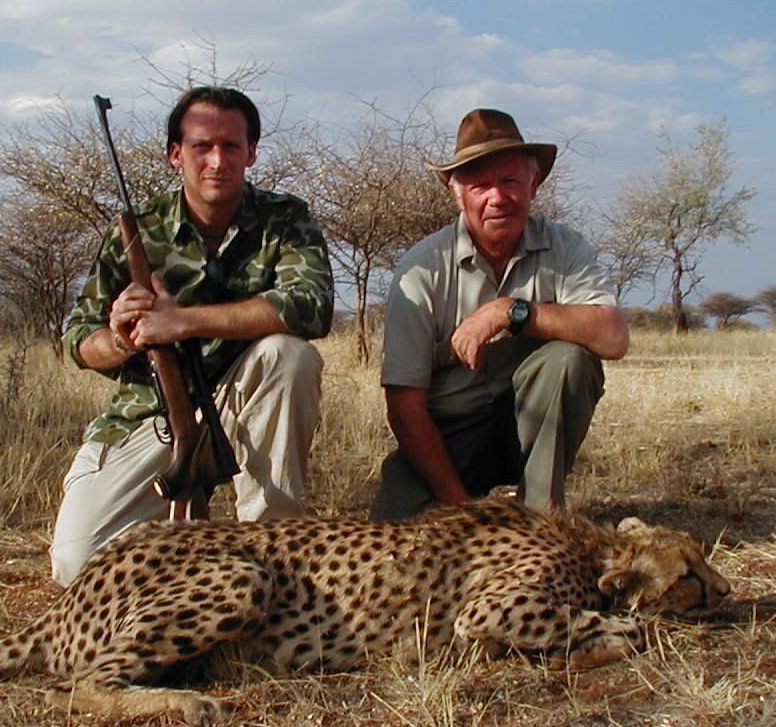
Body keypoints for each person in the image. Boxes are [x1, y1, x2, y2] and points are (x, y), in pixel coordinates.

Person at [51, 86, 334, 586]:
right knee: (77, 565)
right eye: (202, 146)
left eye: (231, 146)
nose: (217, 161)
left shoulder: (286, 218)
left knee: (289, 355)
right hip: (151, 412)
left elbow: (310, 307)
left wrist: (184, 321)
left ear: (252, 152)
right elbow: (78, 340)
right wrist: (122, 337)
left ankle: (277, 550)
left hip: (243, 398)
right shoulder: (137, 229)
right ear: (175, 154)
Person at [371, 107, 628, 522]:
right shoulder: (420, 268)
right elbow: (404, 406)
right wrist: (461, 510)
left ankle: (541, 520)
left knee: (569, 359)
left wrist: (511, 311)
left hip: (533, 432)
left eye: (510, 181)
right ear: (455, 192)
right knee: (395, 534)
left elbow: (614, 338)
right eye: (480, 185)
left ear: (534, 183)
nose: (498, 198)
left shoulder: (566, 247)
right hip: (450, 437)